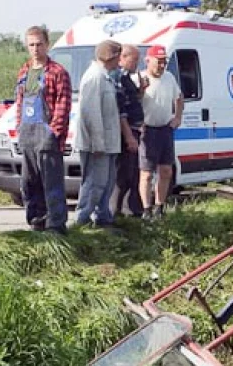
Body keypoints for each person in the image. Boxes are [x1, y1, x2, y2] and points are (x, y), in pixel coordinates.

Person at [15, 26, 72, 234]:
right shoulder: (24, 71)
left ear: (47, 45)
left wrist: (53, 132)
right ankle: (36, 220)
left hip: (47, 134)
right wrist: (18, 127)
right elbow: (20, 102)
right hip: (27, 132)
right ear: (27, 46)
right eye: (31, 45)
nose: (36, 48)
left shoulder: (58, 72)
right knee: (29, 182)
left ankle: (56, 223)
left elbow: (63, 104)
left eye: (39, 44)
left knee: (52, 182)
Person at [74, 40, 123, 227]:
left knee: (107, 183)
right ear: (111, 57)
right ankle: (82, 220)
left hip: (108, 142)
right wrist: (98, 143)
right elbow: (91, 113)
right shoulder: (94, 77)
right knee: (95, 183)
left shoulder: (105, 77)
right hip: (97, 145)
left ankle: (103, 218)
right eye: (118, 56)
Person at [139, 44, 183, 220]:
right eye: (158, 62)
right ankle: (146, 209)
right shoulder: (141, 78)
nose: (161, 66)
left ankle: (159, 207)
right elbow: (133, 102)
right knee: (147, 173)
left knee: (166, 171)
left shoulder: (169, 78)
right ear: (148, 61)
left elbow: (179, 99)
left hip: (165, 128)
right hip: (147, 130)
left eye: (164, 62)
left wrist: (177, 118)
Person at [112, 44, 147, 218]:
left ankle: (130, 210)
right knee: (123, 174)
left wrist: (140, 92)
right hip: (127, 132)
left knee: (133, 173)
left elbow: (131, 102)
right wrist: (128, 137)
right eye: (134, 60)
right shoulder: (119, 77)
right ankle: (117, 211)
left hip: (134, 130)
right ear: (122, 58)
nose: (137, 64)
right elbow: (121, 111)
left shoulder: (128, 78)